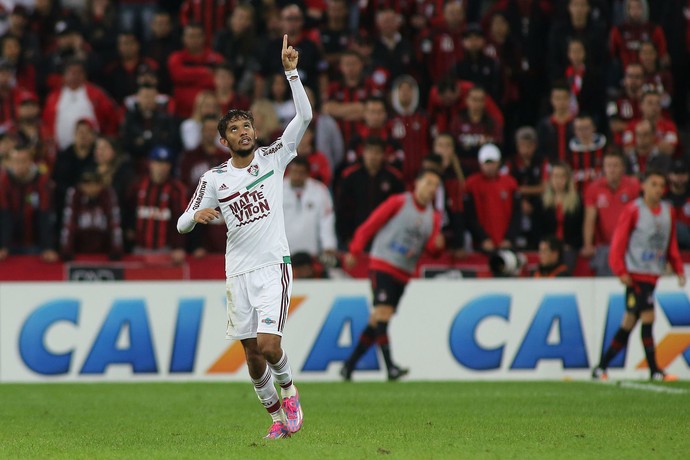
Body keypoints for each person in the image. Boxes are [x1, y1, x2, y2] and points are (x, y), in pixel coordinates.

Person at [177, 35, 310, 440]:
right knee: (251, 356)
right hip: (238, 273)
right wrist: (196, 216)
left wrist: (291, 73)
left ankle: (289, 392)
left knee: (271, 347)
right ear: (225, 140)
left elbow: (304, 117)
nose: (244, 132)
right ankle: (275, 420)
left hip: (273, 267)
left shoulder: (274, 157)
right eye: (235, 129)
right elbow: (181, 223)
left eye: (247, 125)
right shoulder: (214, 178)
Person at [341, 168, 444, 381]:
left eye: (435, 185)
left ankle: (349, 366)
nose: (431, 189)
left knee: (377, 319)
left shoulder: (433, 217)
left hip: (404, 273)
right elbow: (371, 224)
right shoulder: (399, 202)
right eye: (428, 183)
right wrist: (355, 249)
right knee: (383, 314)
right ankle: (390, 368)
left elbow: (431, 249)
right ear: (417, 183)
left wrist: (438, 246)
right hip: (383, 264)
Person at [592, 169, 685, 382]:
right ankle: (655, 370)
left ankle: (601, 367)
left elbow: (670, 242)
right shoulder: (633, 210)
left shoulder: (667, 211)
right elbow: (619, 241)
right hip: (635, 275)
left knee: (629, 323)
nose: (658, 190)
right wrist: (620, 270)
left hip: (652, 275)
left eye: (662, 185)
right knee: (648, 317)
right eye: (654, 184)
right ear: (643, 186)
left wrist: (678, 267)